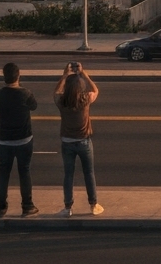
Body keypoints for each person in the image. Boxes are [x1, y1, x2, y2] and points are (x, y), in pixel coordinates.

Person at [54, 62, 103, 217]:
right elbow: (95, 90)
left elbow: (56, 92)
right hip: (84, 142)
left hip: (67, 142)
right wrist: (83, 74)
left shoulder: (62, 102)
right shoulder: (85, 100)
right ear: (81, 88)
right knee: (89, 173)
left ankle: (68, 207)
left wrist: (64, 75)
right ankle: (93, 204)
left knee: (68, 174)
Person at [0, 62, 39, 217]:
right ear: (19, 76)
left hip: (4, 140)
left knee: (3, 173)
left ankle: (1, 206)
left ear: (4, 77)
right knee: (24, 171)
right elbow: (34, 106)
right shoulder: (26, 93)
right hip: (24, 139)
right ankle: (27, 205)